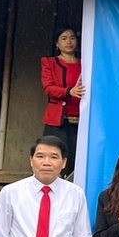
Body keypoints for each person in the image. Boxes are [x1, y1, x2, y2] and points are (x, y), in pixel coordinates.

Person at [40, 27, 85, 176]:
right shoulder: (49, 63)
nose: (69, 42)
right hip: (58, 120)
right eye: (64, 38)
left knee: (78, 159)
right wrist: (68, 92)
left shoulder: (85, 64)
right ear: (57, 44)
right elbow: (48, 88)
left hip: (82, 119)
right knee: (56, 156)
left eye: (72, 38)